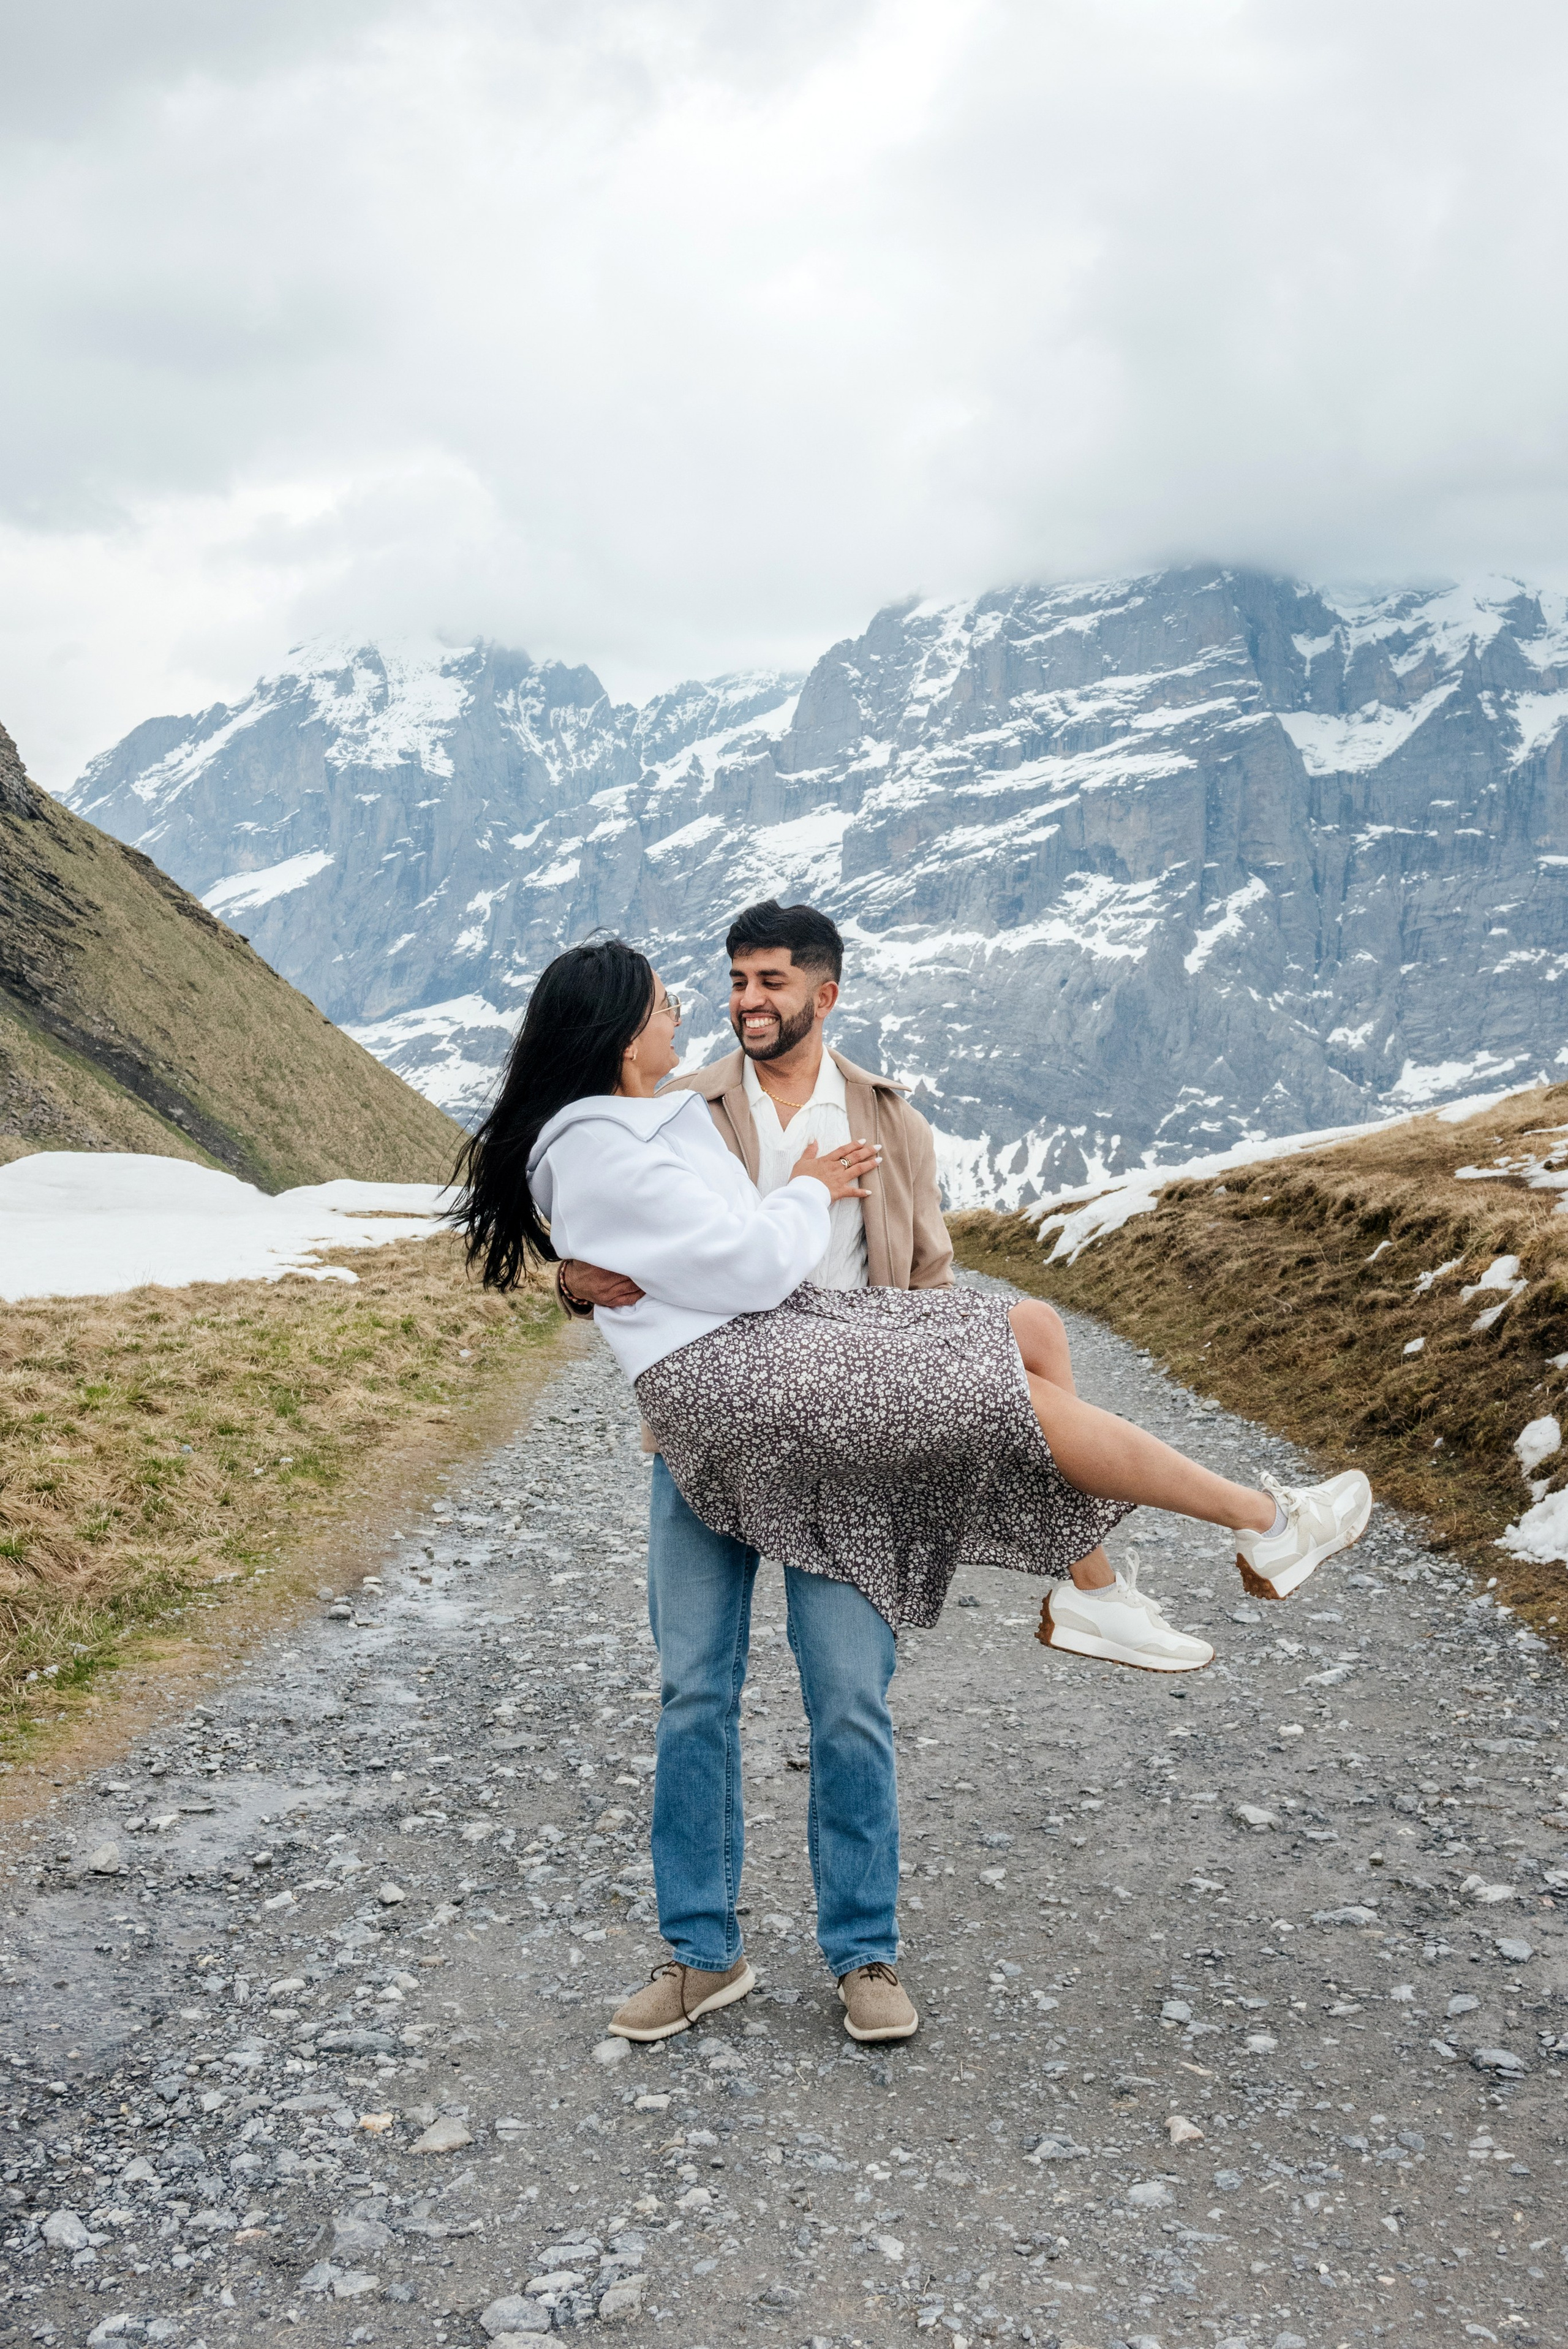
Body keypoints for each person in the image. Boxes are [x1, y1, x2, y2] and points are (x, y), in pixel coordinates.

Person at [456, 934, 1374, 2049]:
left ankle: (867, 1948)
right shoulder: (677, 1107)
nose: (735, 1001)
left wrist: (948, 1369)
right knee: (695, 1689)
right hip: (741, 1410)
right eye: (728, 982)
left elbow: (925, 1268)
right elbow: (638, 1236)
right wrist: (571, 1273)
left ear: (823, 993)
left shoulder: (886, 1119)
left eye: (767, 981)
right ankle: (701, 1953)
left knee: (856, 1684)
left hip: (852, 1395)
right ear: (620, 1031)